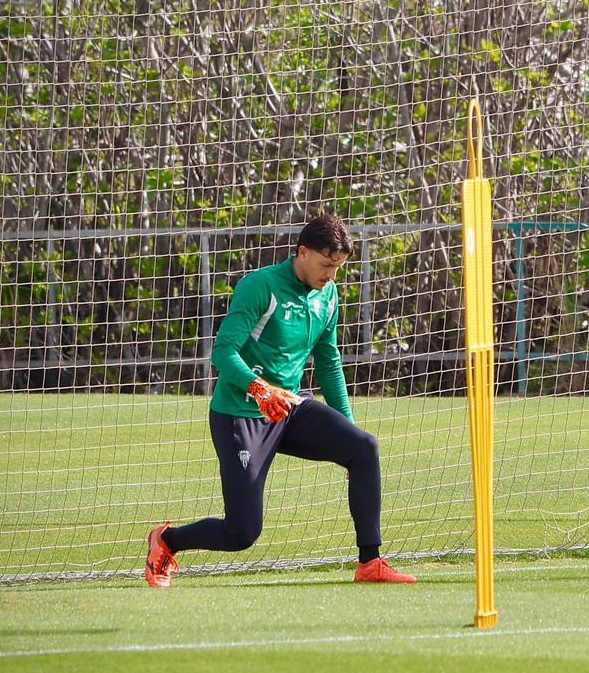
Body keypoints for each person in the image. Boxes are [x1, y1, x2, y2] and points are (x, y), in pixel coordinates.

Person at [145, 212, 416, 586]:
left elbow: (328, 360)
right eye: (325, 265)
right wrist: (258, 388)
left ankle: (370, 562)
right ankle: (167, 540)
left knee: (363, 447)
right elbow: (222, 352)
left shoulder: (329, 295)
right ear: (301, 253)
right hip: (241, 413)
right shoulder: (260, 287)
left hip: (288, 407)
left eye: (338, 268)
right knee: (242, 533)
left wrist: (345, 427)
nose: (331, 276)